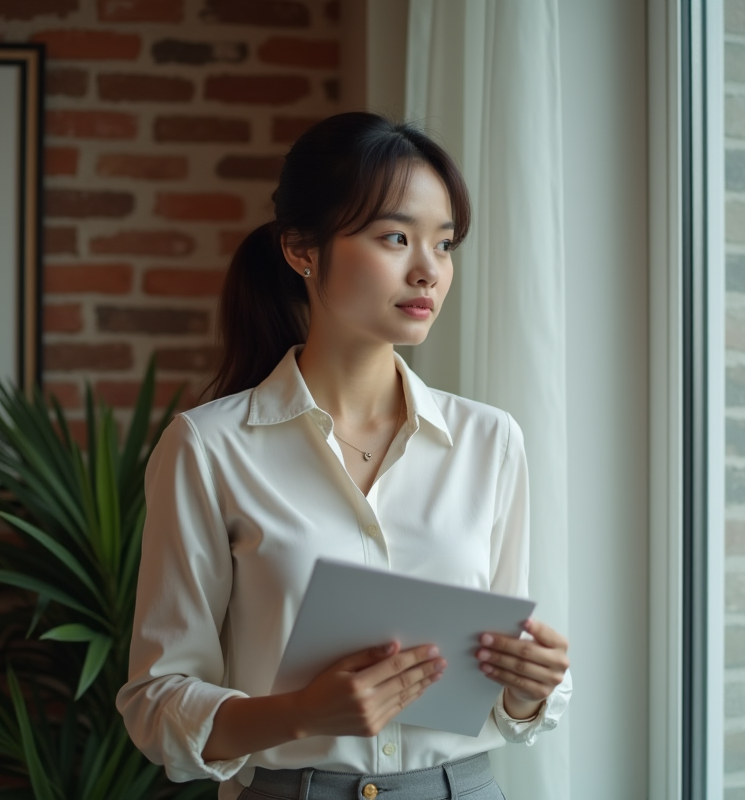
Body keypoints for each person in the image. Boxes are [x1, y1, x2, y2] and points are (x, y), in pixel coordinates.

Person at [116, 112, 572, 800]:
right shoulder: (208, 448)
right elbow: (156, 705)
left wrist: (530, 688)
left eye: (444, 244)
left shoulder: (491, 441)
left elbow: (503, 687)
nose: (428, 271)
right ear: (302, 250)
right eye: (396, 238)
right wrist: (300, 713)